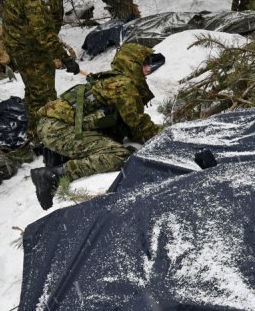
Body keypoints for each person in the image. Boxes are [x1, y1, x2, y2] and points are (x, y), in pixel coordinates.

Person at [31, 43, 165, 210]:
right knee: (118, 155)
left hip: (54, 124)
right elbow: (139, 126)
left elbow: (128, 125)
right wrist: (168, 133)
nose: (148, 70)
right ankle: (53, 175)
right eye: (144, 64)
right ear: (131, 64)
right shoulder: (123, 86)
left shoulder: (114, 80)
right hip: (58, 128)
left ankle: (58, 157)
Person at [1, 0, 81, 146]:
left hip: (30, 39)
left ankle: (36, 129)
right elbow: (43, 32)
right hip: (26, 46)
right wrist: (65, 58)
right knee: (43, 93)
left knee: (36, 89)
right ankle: (41, 138)